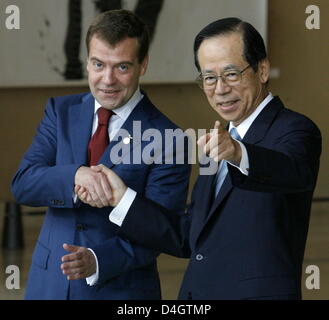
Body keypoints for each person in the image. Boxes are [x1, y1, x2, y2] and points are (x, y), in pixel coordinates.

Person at [76, 17, 322, 300]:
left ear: (262, 70)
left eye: (231, 74)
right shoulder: (218, 143)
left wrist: (239, 153)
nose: (219, 89)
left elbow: (292, 170)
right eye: (209, 78)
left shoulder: (294, 129)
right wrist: (122, 198)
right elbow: (189, 237)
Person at [11, 10, 190, 300]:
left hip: (121, 290)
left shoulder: (170, 139)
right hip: (49, 287)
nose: (107, 80)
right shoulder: (60, 112)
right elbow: (23, 183)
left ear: (142, 64)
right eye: (98, 64)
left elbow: (164, 231)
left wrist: (99, 259)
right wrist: (75, 176)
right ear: (87, 61)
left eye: (121, 67)